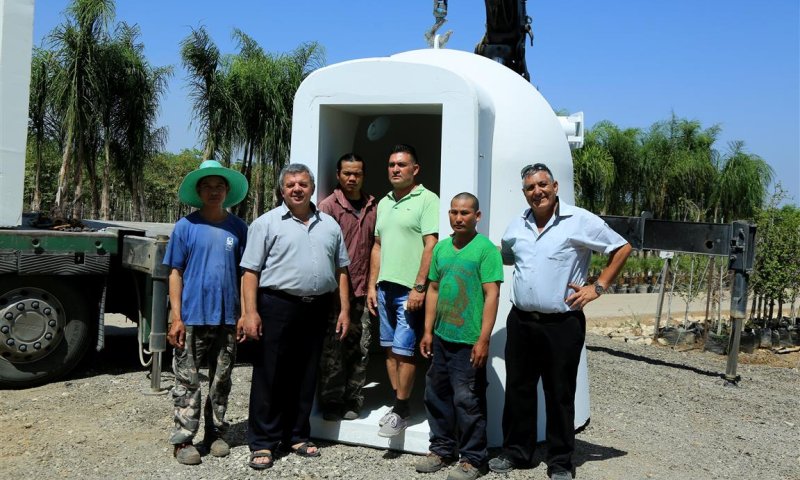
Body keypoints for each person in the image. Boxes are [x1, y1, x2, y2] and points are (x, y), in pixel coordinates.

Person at [489, 163, 632, 480]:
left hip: (562, 324)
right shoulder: (517, 224)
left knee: (559, 393)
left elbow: (622, 247)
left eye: (543, 184)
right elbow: (508, 255)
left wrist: (598, 287)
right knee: (519, 389)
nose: (537, 191)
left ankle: (561, 462)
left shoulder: (579, 220)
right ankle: (517, 453)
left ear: (555, 187)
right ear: (524, 193)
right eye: (530, 187)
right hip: (521, 321)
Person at [239, 163, 351, 470]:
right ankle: (263, 441)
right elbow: (250, 272)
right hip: (276, 306)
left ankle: (297, 435)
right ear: (282, 190)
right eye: (290, 185)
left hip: (316, 308)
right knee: (270, 374)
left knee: (305, 374)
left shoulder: (329, 225)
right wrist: (250, 312)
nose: (297, 189)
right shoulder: (266, 223)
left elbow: (341, 270)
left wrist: (344, 309)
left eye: (302, 184)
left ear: (312, 188)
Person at [163, 159, 249, 466]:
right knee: (187, 381)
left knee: (221, 379)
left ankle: (216, 433)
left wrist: (244, 314)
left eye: (219, 186)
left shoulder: (238, 228)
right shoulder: (186, 226)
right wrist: (176, 317)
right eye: (207, 186)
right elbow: (175, 272)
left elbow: (245, 274)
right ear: (199, 192)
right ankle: (184, 440)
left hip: (226, 318)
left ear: (227, 191)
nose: (214, 191)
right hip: (192, 317)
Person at [417, 193, 503, 480]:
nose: (458, 218)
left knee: (468, 401)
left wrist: (483, 339)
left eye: (465, 213)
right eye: (454, 212)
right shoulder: (441, 248)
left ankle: (473, 459)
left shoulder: (485, 250)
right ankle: (441, 449)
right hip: (442, 337)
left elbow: (492, 295)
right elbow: (433, 290)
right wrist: (428, 331)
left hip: (468, 342)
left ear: (477, 216)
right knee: (436, 394)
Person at [367, 144, 439, 437]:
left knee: (404, 351)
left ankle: (401, 408)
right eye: (391, 165)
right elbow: (377, 246)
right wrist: (372, 285)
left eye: (401, 165)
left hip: (409, 290)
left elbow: (431, 245)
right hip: (384, 288)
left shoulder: (428, 199)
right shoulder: (384, 202)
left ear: (415, 169)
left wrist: (419, 286)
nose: (395, 169)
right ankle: (399, 403)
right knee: (388, 348)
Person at [317, 153, 377, 421]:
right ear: (338, 175)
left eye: (357, 173)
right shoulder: (328, 207)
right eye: (347, 173)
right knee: (333, 349)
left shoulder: (373, 206)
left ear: (363, 175)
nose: (352, 178)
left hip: (363, 291)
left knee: (360, 347)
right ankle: (331, 401)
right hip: (334, 293)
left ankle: (353, 399)